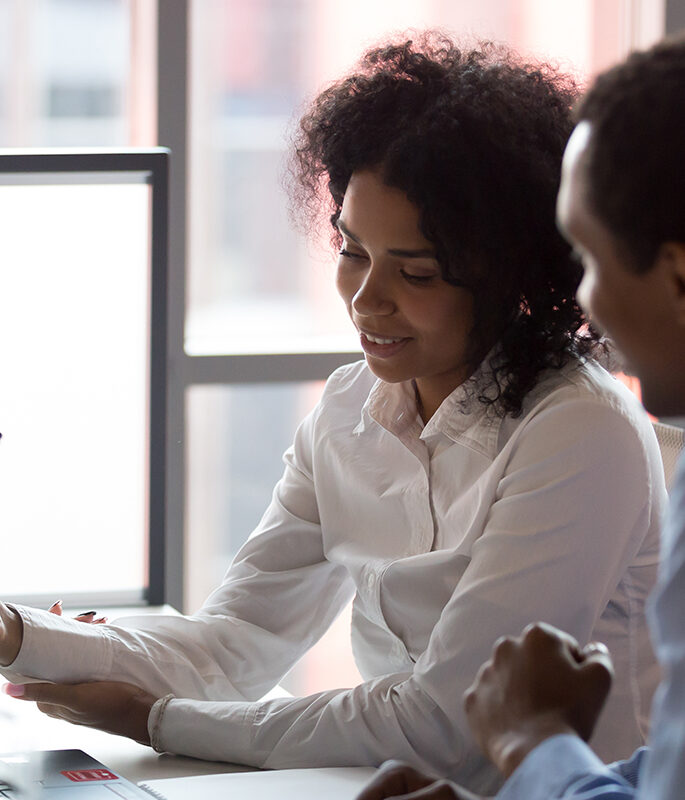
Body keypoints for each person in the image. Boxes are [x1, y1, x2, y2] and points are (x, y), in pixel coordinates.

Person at [0, 34, 666, 794]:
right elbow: (236, 643)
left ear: (505, 273)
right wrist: (19, 636)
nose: (363, 298)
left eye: (414, 272)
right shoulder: (349, 408)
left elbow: (448, 722)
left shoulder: (578, 431)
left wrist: (157, 721)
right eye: (352, 251)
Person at [356, 32, 685, 800]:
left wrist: (533, 739)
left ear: (674, 276)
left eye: (590, 260)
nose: (583, 302)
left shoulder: (583, 427)